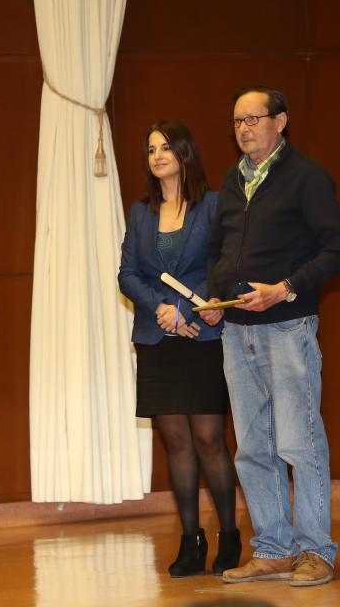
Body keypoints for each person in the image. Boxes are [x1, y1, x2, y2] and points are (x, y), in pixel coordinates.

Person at [200, 87, 340, 587]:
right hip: (236, 333)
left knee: (299, 443)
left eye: (254, 118)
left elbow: (334, 252)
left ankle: (315, 551)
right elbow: (218, 250)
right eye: (237, 120)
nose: (243, 128)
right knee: (250, 447)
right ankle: (272, 547)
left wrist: (285, 289)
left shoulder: (307, 177)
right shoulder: (231, 180)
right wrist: (216, 299)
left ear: (280, 121)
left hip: (287, 327)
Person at [118, 121, 240, 578]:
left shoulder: (212, 204)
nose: (157, 156)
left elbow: (227, 261)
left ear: (185, 153)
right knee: (176, 443)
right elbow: (128, 273)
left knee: (209, 439)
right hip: (157, 338)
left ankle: (229, 534)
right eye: (150, 149)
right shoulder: (140, 212)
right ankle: (191, 540)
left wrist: (191, 306)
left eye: (165, 147)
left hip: (204, 337)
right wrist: (163, 309)